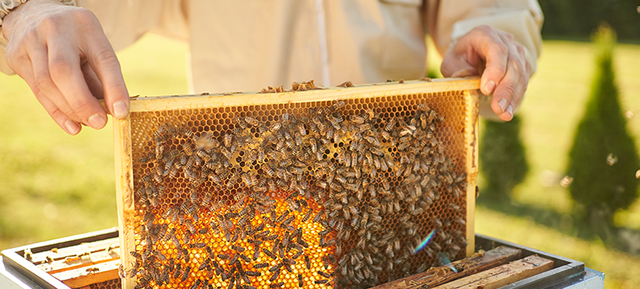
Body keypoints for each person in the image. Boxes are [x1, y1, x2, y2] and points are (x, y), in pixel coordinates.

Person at [0, 0, 542, 135]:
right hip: (243, 204)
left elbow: (491, 9)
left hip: (398, 191)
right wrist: (27, 9)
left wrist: (494, 37)